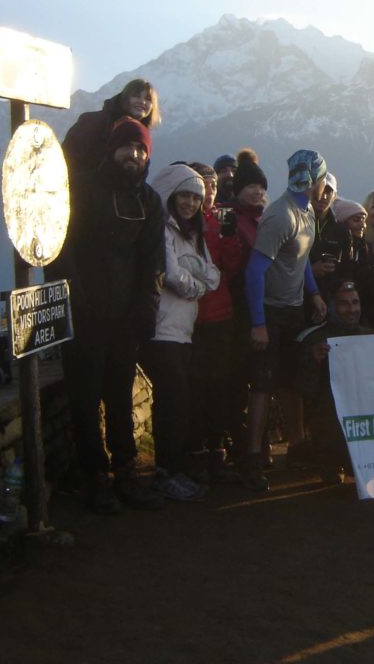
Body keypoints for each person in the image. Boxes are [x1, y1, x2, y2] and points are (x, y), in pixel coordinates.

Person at [47, 117, 165, 513]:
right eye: (127, 148)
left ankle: (126, 474)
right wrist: (76, 302)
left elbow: (153, 262)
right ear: (112, 150)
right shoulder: (82, 189)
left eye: (141, 149)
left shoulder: (149, 200)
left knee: (118, 396)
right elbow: (62, 248)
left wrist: (146, 306)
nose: (133, 155)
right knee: (84, 398)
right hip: (86, 313)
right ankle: (96, 479)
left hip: (126, 317)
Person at [239, 149, 329, 491]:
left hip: (293, 309)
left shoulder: (306, 212)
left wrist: (314, 293)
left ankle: (296, 445)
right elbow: (255, 271)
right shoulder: (281, 215)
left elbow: (301, 257)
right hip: (271, 311)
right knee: (262, 385)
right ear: (315, 180)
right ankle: (252, 459)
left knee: (291, 382)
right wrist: (259, 323)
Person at [141, 164, 220, 501]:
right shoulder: (162, 230)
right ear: (171, 195)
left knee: (180, 402)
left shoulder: (193, 234)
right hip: (162, 330)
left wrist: (194, 279)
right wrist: (196, 283)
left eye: (196, 197)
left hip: (182, 330)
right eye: (184, 195)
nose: (190, 203)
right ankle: (165, 473)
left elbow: (213, 276)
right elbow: (173, 276)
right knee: (173, 402)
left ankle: (172, 469)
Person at [187, 162, 247, 484]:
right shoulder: (184, 224)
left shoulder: (218, 222)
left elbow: (232, 266)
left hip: (220, 315)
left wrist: (230, 237)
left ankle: (217, 449)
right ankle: (197, 451)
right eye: (204, 186)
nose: (210, 192)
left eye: (212, 186)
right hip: (192, 317)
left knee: (218, 386)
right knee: (196, 386)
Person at [296, 279, 374, 482]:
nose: (351, 309)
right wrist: (314, 362)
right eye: (344, 303)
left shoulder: (371, 337)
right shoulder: (314, 340)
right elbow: (304, 390)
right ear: (332, 306)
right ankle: (329, 460)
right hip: (329, 420)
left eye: (355, 302)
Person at [225, 148, 268, 460]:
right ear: (238, 189)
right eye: (252, 186)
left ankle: (255, 444)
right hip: (236, 310)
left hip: (261, 308)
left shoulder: (265, 220)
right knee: (239, 379)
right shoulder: (232, 219)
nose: (258, 191)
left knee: (260, 381)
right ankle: (239, 445)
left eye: (262, 187)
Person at [62, 78, 161, 174]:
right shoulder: (93, 121)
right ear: (125, 98)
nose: (142, 102)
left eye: (148, 99)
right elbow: (69, 155)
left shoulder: (144, 136)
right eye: (136, 96)